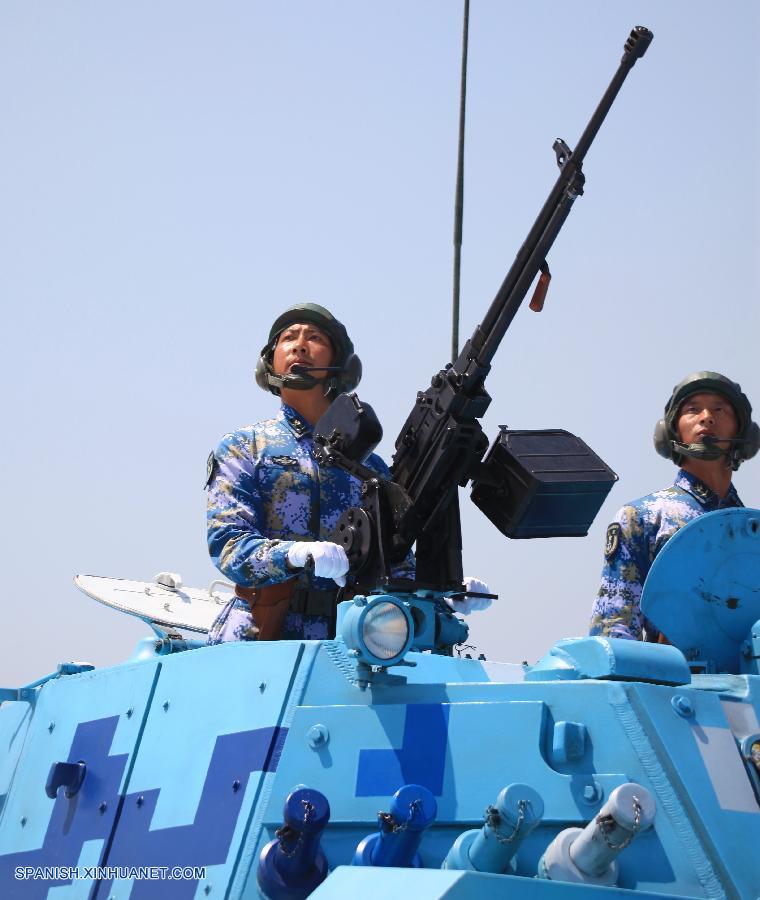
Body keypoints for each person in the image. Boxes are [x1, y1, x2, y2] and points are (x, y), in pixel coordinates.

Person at [205, 302, 491, 644]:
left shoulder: (369, 468)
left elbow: (393, 565)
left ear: (338, 362)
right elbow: (229, 546)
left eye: (314, 337)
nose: (299, 345)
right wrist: (294, 555)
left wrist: (442, 592)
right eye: (288, 338)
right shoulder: (244, 447)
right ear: (270, 361)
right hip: (259, 638)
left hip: (351, 640)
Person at [589, 371, 759, 642]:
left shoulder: (753, 532)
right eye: (693, 410)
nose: (707, 417)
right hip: (675, 681)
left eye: (720, 409)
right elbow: (615, 628)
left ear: (743, 432)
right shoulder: (642, 517)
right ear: (671, 430)